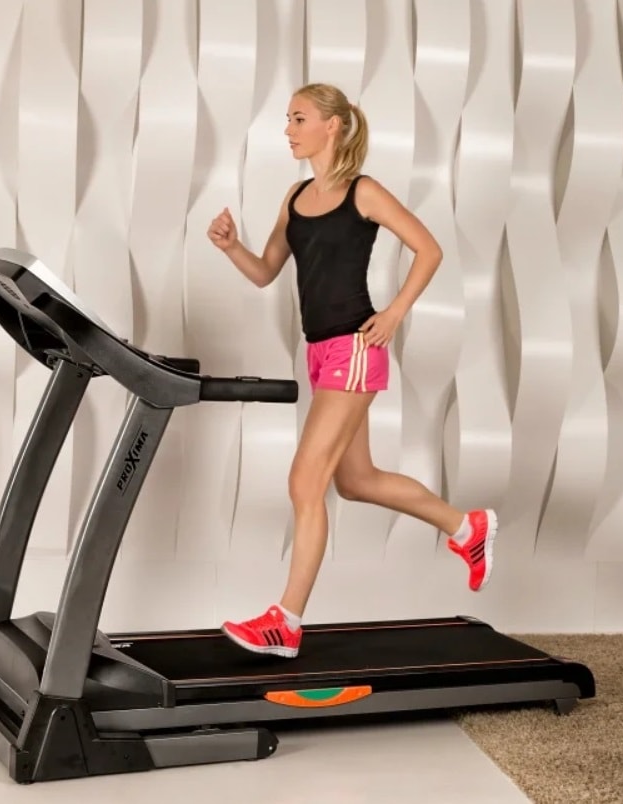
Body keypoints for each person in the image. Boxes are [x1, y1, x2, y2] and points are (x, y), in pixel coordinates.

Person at [206, 82, 498, 658]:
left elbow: (429, 248)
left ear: (332, 125)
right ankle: (468, 528)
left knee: (304, 481)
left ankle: (286, 623)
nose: (288, 129)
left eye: (299, 118)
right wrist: (231, 246)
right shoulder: (295, 197)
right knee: (356, 481)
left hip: (355, 346)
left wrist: (394, 313)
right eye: (288, 119)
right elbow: (265, 272)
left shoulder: (362, 191)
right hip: (320, 351)